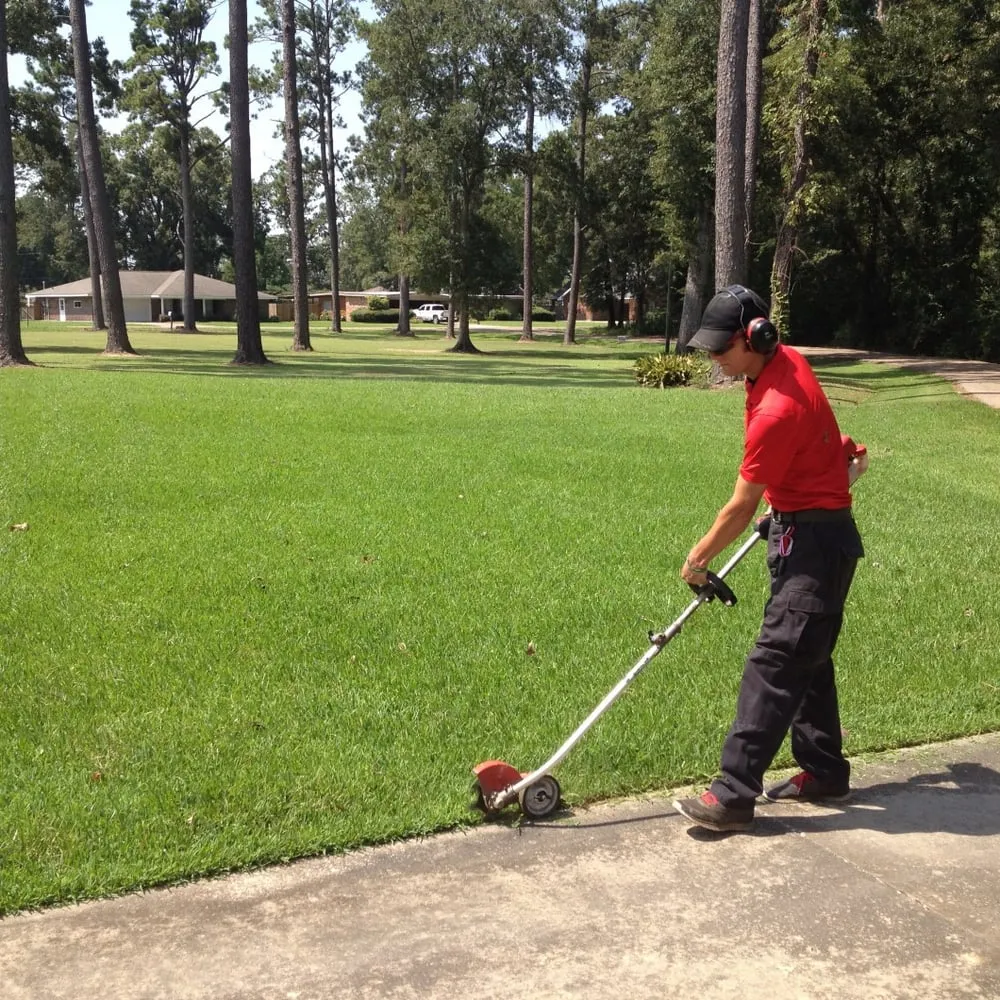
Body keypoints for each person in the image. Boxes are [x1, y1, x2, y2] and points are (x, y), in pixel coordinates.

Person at [671, 285, 864, 833]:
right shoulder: (776, 368)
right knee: (808, 656)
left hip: (818, 546)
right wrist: (792, 503)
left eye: (719, 349)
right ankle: (825, 771)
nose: (713, 359)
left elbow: (738, 506)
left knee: (776, 661)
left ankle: (732, 795)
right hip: (804, 531)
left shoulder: (775, 408)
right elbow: (819, 443)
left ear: (756, 337)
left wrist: (697, 559)